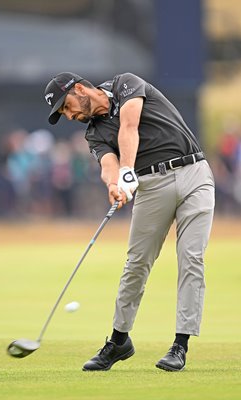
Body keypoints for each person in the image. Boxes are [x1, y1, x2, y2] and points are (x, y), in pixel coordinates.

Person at [44, 72, 215, 372]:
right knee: (136, 263)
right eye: (63, 113)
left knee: (191, 258)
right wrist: (114, 183)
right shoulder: (93, 133)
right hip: (150, 185)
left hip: (194, 174)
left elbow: (129, 125)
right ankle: (119, 340)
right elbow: (107, 166)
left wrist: (126, 171)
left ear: (79, 88)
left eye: (66, 106)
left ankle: (180, 345)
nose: (69, 115)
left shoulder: (126, 84)